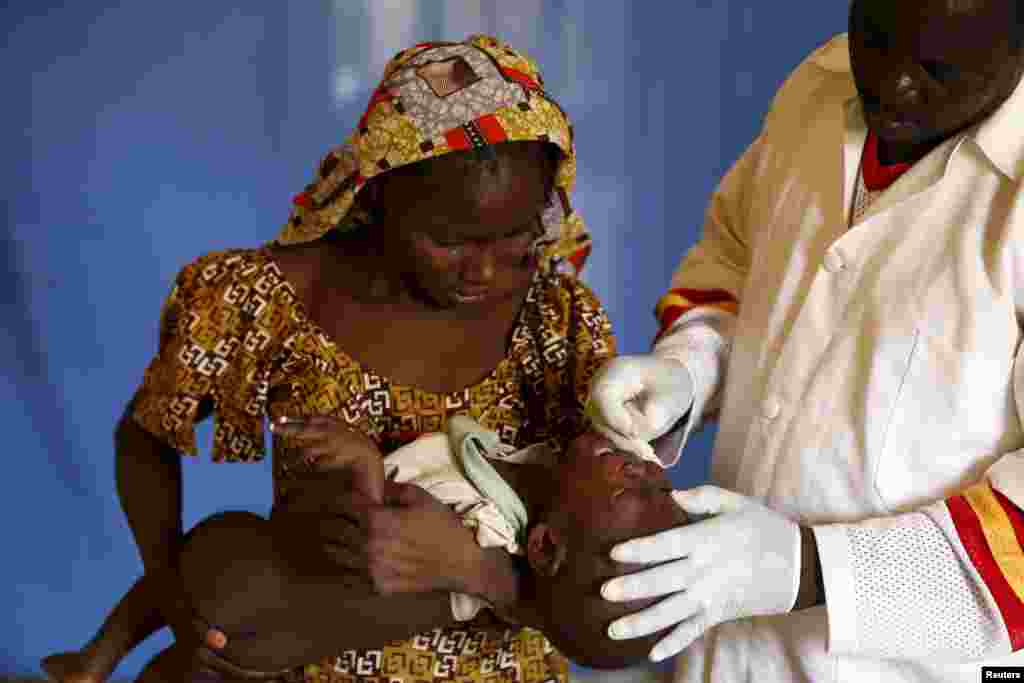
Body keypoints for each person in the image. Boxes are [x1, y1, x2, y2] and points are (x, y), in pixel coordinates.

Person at [43, 34, 618, 683]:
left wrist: (481, 572)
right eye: (448, 239)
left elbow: (610, 579)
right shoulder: (264, 298)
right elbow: (149, 435)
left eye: (517, 235)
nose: (484, 269)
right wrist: (179, 595)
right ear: (374, 194)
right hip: (296, 656)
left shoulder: (557, 319)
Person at [586, 1, 1024, 681]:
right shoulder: (819, 86)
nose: (895, 85)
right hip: (721, 657)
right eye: (876, 40)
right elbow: (735, 256)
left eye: (938, 69)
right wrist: (690, 366)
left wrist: (805, 569)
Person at [45, 416, 689, 680]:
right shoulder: (528, 479)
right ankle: (94, 661)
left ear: (546, 545)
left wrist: (363, 464)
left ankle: (99, 660)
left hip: (252, 604)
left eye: (633, 489)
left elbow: (371, 534)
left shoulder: (485, 536)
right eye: (657, 478)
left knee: (169, 628)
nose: (643, 468)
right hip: (242, 603)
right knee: (172, 606)